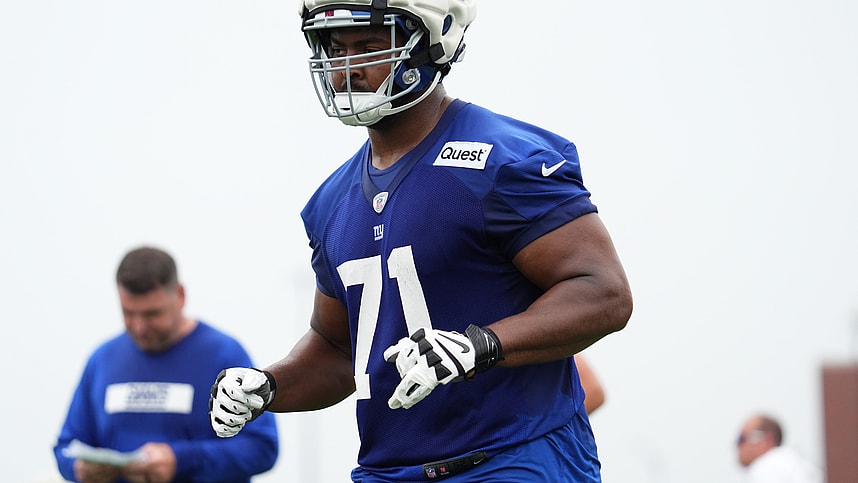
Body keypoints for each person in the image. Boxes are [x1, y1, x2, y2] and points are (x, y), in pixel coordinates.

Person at [209, 1, 633, 481]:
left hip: (511, 459)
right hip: (388, 471)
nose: (347, 67)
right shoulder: (331, 201)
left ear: (431, 44)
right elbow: (338, 347)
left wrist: (480, 346)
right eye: (335, 46)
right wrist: (269, 385)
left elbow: (604, 291)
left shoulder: (500, 158)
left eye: (368, 46)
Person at [53, 246, 279, 483]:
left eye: (152, 314)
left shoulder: (224, 355)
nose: (140, 326)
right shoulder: (102, 360)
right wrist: (78, 468)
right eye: (129, 313)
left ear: (180, 295)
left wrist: (180, 460)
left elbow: (262, 447)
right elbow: (65, 446)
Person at [736, 414, 823, 483]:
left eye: (741, 438)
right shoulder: (800, 464)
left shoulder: (766, 467)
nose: (737, 444)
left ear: (766, 440)